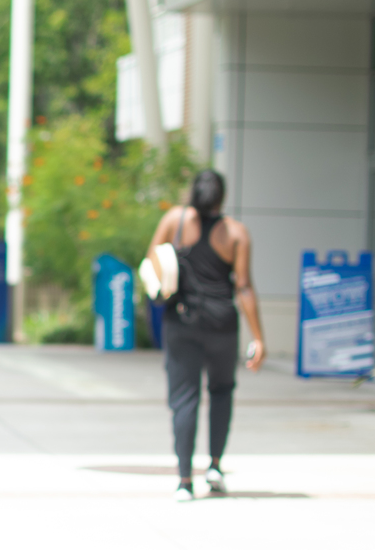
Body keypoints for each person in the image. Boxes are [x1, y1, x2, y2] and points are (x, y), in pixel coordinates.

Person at [145, 169, 266, 502]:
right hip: (222, 326)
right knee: (222, 391)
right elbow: (243, 286)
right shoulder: (237, 233)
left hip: (181, 323)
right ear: (222, 197)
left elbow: (151, 260)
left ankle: (185, 481)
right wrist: (259, 338)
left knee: (185, 398)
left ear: (192, 194)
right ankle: (214, 466)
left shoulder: (175, 221)